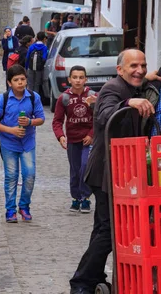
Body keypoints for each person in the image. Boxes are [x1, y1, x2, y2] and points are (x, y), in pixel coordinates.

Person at [69, 49, 156, 294]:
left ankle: (91, 277)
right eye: (133, 66)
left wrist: (149, 77)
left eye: (143, 65)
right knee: (111, 229)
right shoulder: (112, 89)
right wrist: (127, 103)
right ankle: (82, 283)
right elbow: (105, 114)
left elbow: (141, 80)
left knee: (102, 228)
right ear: (120, 69)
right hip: (106, 173)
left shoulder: (133, 85)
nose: (139, 70)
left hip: (120, 173)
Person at [0, 65, 46, 223]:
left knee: (30, 175)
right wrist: (11, 130)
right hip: (9, 144)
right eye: (16, 80)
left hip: (27, 143)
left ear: (26, 80)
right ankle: (10, 210)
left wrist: (29, 122)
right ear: (9, 83)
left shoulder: (34, 97)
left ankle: (24, 206)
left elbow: (41, 118)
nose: (20, 83)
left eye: (22, 79)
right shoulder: (3, 99)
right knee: (11, 176)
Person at [52, 66, 97, 213]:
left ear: (86, 79)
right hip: (72, 140)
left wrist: (91, 134)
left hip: (88, 140)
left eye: (81, 77)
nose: (78, 80)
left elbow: (99, 118)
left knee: (86, 167)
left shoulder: (92, 96)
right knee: (75, 170)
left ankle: (85, 198)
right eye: (75, 77)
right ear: (69, 79)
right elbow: (57, 121)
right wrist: (60, 136)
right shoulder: (64, 98)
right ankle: (76, 198)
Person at [25, 31, 48, 96]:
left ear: (36, 38)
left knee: (30, 84)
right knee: (37, 84)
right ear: (44, 39)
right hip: (39, 69)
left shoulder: (32, 47)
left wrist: (26, 68)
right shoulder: (44, 48)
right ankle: (35, 98)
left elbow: (27, 58)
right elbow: (44, 58)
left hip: (31, 67)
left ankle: (29, 97)